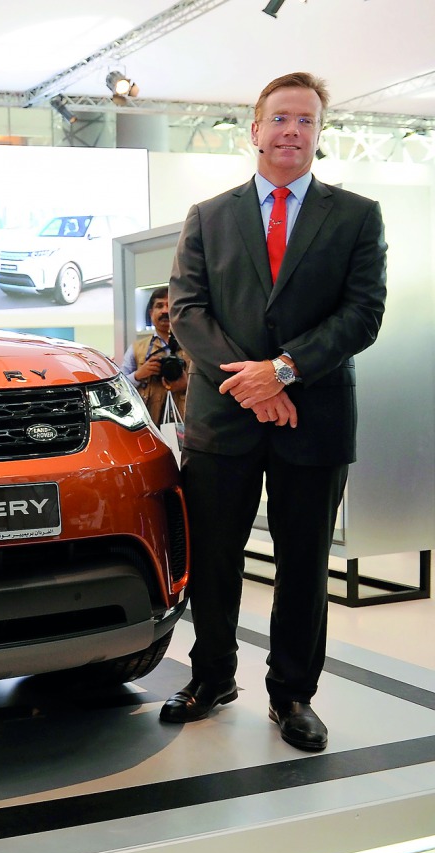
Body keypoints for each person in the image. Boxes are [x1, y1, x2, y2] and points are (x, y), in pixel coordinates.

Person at [161, 73, 387, 752]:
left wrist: (282, 371)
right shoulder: (208, 215)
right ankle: (212, 677)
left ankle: (292, 694)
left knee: (303, 563)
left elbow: (363, 314)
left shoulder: (355, 215)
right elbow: (187, 310)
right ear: (254, 129)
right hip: (222, 419)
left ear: (319, 133)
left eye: (307, 121)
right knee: (216, 560)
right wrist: (253, 382)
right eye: (281, 118)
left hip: (311, 418)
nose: (293, 130)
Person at [119, 286, 189, 425]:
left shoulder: (193, 346)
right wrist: (138, 375)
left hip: (187, 422)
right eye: (159, 306)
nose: (164, 310)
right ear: (151, 313)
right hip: (150, 423)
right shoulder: (137, 349)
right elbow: (120, 387)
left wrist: (187, 385)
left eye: (169, 305)